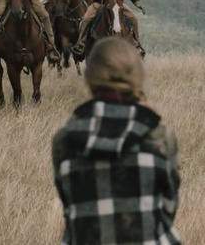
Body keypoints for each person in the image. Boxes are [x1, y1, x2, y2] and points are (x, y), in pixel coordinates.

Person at [52, 37, 181, 245]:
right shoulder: (161, 138)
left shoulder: (63, 141)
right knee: (84, 21)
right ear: (138, 75)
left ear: (89, 77)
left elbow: (69, 208)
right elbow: (169, 206)